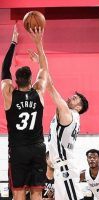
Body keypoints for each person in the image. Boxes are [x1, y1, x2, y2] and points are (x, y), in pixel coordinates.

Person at [1, 25, 48, 200]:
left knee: (18, 193)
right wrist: (38, 43)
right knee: (37, 192)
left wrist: (13, 42)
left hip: (18, 150)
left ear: (15, 81)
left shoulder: (9, 94)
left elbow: (4, 69)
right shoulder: (38, 92)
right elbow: (44, 70)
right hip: (37, 148)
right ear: (30, 80)